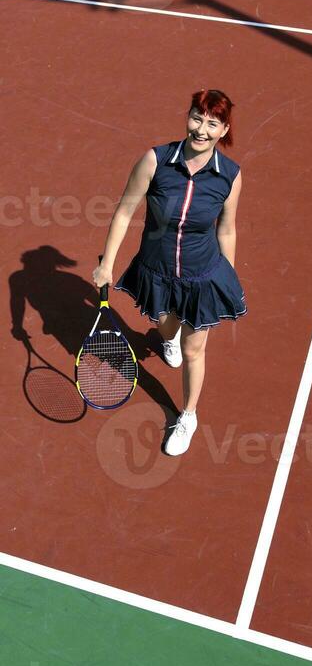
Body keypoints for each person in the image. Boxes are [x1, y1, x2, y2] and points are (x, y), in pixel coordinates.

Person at [92, 88, 246, 456]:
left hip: (203, 276)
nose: (201, 130)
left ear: (224, 130)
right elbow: (125, 211)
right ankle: (167, 337)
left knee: (195, 349)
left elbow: (226, 229)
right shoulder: (155, 160)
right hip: (157, 271)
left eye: (212, 123)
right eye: (197, 118)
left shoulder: (230, 176)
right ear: (187, 116)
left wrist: (229, 278)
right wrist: (106, 264)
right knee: (165, 325)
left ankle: (188, 415)